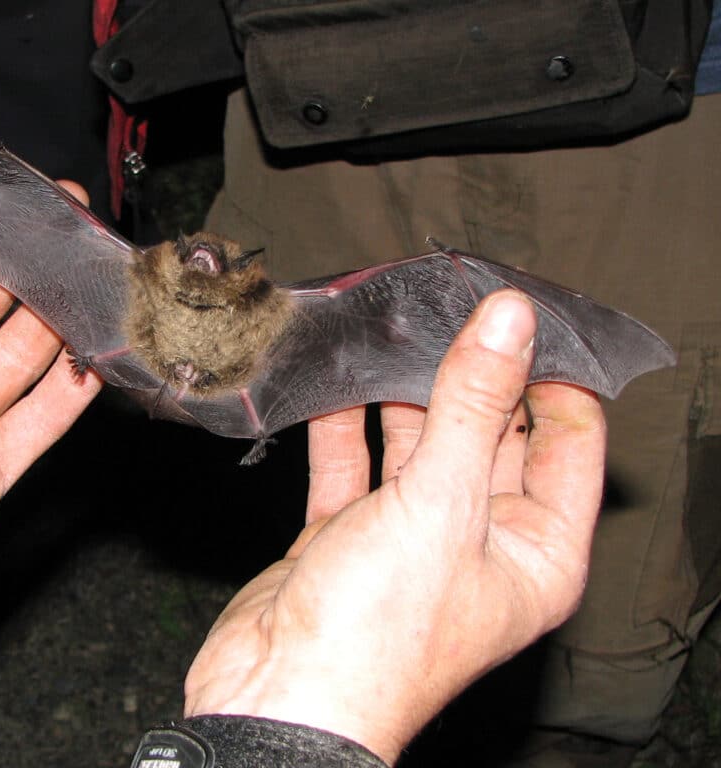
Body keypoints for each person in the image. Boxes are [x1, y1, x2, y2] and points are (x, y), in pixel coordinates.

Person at [0, 170, 605, 766]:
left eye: (219, 258)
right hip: (137, 366)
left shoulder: (286, 314)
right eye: (189, 252)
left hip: (244, 389)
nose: (203, 257)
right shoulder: (123, 278)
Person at [92, 2, 721, 763]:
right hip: (306, 61)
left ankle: (562, 725)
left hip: (651, 82)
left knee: (600, 542)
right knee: (346, 447)